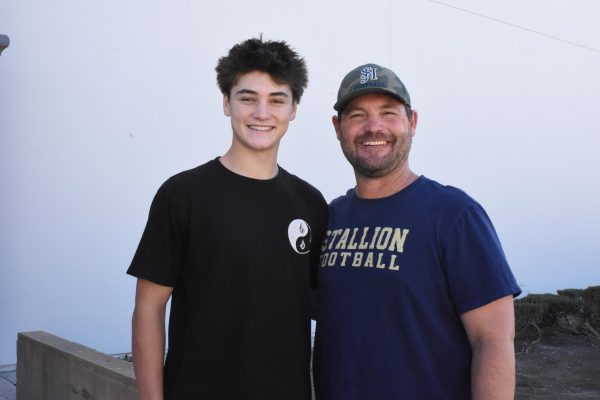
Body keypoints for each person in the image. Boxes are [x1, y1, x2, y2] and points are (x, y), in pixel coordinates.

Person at [127, 37, 328, 400]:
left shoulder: (310, 204)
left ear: (294, 109)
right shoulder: (182, 194)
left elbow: (322, 304)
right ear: (226, 102)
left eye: (277, 100)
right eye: (248, 98)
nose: (262, 113)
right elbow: (148, 309)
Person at [313, 63, 521, 400]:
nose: (373, 127)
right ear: (338, 128)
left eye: (388, 113)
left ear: (412, 123)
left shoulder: (454, 215)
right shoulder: (330, 217)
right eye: (357, 115)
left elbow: (493, 340)